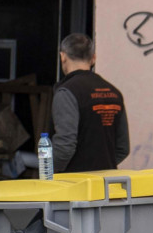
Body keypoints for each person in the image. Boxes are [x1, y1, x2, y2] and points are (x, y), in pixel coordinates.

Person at [51, 33, 130, 173]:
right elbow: (123, 148)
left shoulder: (67, 92)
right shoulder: (114, 93)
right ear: (93, 58)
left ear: (62, 56)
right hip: (106, 183)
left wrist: (48, 173)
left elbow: (65, 146)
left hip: (75, 185)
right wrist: (100, 168)